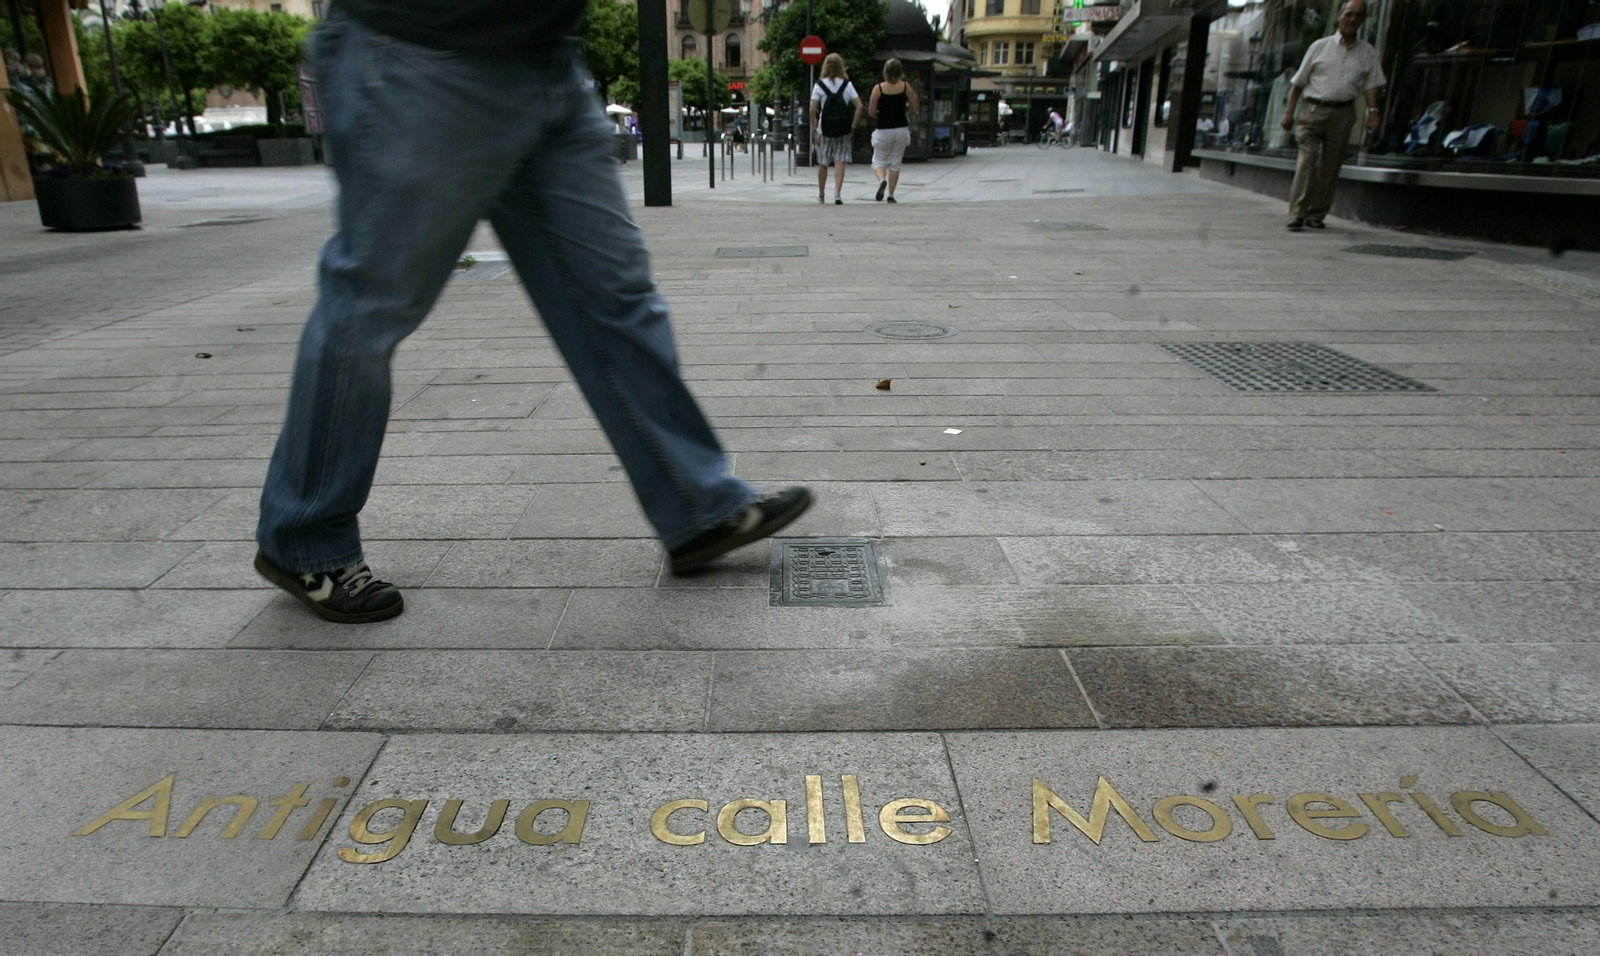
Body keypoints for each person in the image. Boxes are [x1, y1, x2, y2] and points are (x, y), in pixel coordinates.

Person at [253, 2, 812, 623]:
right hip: (421, 50)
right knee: (371, 306)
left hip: (549, 62)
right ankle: (303, 537)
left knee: (614, 296)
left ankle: (695, 505)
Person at [1281, 0, 1386, 231]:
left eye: (1358, 16)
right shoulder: (1319, 46)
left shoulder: (1367, 52)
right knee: (1307, 162)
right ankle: (1297, 213)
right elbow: (1298, 83)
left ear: (1363, 20)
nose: (1352, 19)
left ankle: (1316, 214)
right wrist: (1289, 113)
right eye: (1349, 14)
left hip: (1344, 113)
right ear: (1339, 16)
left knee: (1330, 166)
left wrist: (1373, 112)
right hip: (1313, 110)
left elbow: (1370, 86)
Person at [810, 52, 863, 205]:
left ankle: (821, 194)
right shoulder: (847, 85)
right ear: (841, 66)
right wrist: (853, 126)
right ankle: (837, 193)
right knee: (840, 160)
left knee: (823, 162)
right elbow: (859, 106)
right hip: (843, 129)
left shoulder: (819, 85)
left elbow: (812, 109)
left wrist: (814, 130)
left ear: (825, 66)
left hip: (824, 130)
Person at [868, 59, 918, 203]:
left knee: (878, 160)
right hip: (901, 128)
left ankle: (882, 180)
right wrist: (904, 108)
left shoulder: (878, 88)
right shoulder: (905, 87)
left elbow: (871, 111)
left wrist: (882, 111)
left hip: (883, 129)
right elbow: (915, 106)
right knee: (895, 163)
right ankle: (891, 195)